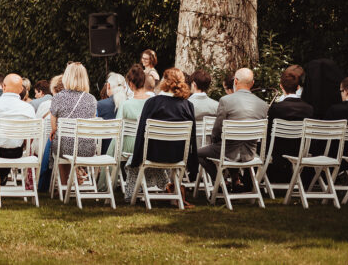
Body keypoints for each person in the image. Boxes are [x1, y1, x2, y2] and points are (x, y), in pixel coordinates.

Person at [125, 67, 198, 202]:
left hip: (153, 154)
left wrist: (136, 158)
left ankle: (132, 195)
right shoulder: (188, 105)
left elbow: (141, 132)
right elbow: (192, 137)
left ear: (164, 81)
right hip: (178, 156)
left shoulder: (152, 103)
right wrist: (193, 164)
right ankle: (167, 186)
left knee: (133, 163)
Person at [198, 67, 269, 184]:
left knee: (199, 153)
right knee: (229, 144)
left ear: (235, 81)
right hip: (250, 154)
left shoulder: (226, 101)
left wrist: (214, 141)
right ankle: (235, 180)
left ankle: (220, 181)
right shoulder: (263, 105)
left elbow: (216, 131)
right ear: (252, 83)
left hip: (227, 152)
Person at [0, 74, 37, 183]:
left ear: (3, 86)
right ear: (21, 89)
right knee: (9, 146)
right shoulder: (28, 109)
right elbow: (31, 136)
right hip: (16, 153)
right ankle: (1, 177)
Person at [50, 62, 97, 184]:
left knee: (59, 141)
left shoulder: (58, 98)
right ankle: (77, 176)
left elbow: (54, 127)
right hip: (87, 148)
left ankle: (65, 184)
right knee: (68, 142)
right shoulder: (92, 99)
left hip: (66, 149)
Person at [265, 65, 314, 183]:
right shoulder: (309, 109)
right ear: (298, 87)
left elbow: (269, 132)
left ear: (281, 86)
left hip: (277, 152)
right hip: (300, 150)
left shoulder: (276, 108)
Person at [113, 64, 152, 158]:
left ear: (130, 84)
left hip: (129, 148)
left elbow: (117, 130)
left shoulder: (125, 105)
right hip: (148, 147)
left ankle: (111, 170)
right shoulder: (153, 103)